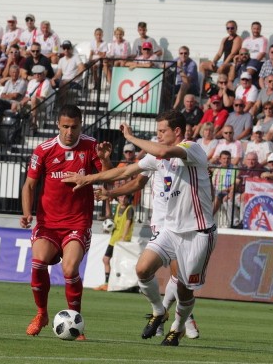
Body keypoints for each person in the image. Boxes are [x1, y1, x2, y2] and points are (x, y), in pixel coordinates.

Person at [65, 111, 215, 346]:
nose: (158, 136)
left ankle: (178, 327)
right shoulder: (156, 159)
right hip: (171, 230)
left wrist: (132, 138)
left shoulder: (192, 148)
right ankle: (159, 311)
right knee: (143, 269)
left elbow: (164, 151)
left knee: (185, 290)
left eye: (161, 131)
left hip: (198, 232)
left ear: (177, 132)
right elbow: (126, 172)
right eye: (156, 132)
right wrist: (89, 179)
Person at [19, 104, 111, 339]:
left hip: (77, 223)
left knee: (69, 269)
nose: (70, 132)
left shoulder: (91, 147)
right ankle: (41, 313)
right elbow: (29, 185)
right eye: (66, 127)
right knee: (38, 262)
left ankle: (75, 321)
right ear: (58, 125)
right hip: (48, 223)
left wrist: (105, 161)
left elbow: (108, 181)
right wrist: (27, 213)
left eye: (75, 127)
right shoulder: (44, 150)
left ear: (81, 125)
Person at [97, 194, 134, 291]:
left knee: (120, 263)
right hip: (113, 240)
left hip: (122, 241)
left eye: (125, 197)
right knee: (106, 259)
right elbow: (113, 222)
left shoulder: (129, 209)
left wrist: (123, 237)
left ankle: (121, 285)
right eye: (121, 197)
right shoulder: (117, 207)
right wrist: (107, 229)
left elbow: (127, 223)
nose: (123, 199)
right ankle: (107, 283)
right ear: (118, 198)